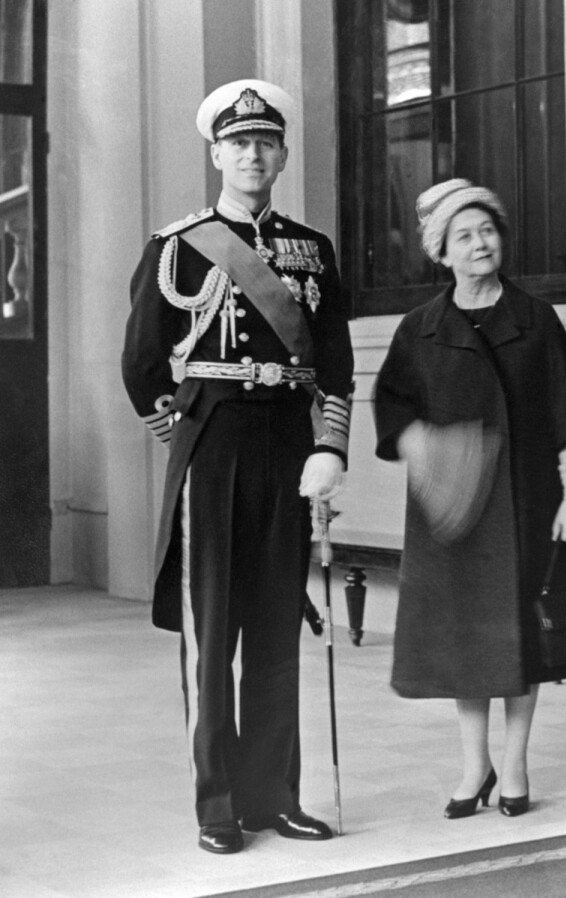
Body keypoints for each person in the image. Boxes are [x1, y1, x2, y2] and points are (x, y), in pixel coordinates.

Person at [121, 79, 353, 855]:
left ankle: (274, 797)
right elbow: (142, 365)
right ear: (216, 153)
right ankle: (218, 805)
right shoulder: (177, 245)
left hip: (288, 443)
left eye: (265, 142)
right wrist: (184, 442)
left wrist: (329, 449)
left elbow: (339, 368)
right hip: (212, 446)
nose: (253, 154)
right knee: (213, 631)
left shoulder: (311, 249)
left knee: (278, 629)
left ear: (282, 154)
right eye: (238, 142)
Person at [373, 179, 566, 820]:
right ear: (442, 252)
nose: (479, 244)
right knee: (468, 642)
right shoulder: (420, 329)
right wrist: (426, 449)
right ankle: (475, 765)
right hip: (452, 513)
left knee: (521, 638)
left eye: (487, 230)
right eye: (463, 236)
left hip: (526, 504)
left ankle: (517, 762)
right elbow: (392, 405)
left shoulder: (536, 319)